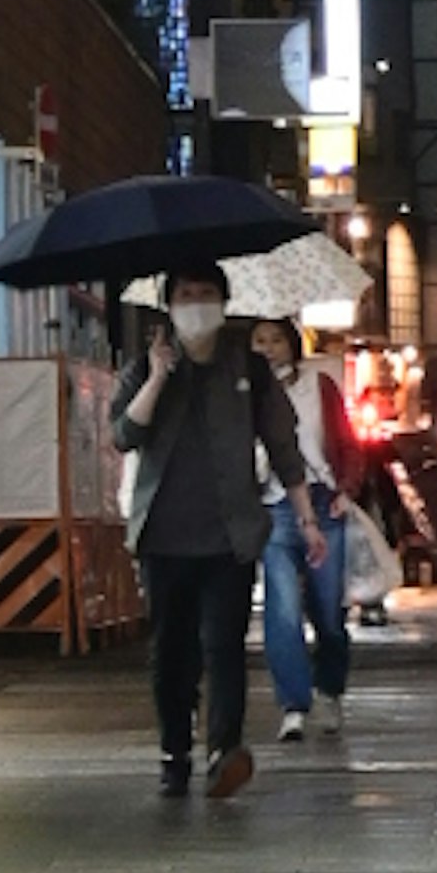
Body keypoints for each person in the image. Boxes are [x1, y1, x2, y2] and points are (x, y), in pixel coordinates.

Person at [115, 277, 309, 799]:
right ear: (169, 307)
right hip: (163, 535)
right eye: (185, 297)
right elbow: (123, 435)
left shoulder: (249, 368)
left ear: (224, 304)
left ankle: (224, 749)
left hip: (230, 534)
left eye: (205, 295)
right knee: (172, 651)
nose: (196, 306)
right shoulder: (146, 364)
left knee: (223, 646)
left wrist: (307, 520)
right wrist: (157, 378)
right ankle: (173, 751)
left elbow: (284, 447)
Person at [245, 317, 352, 746]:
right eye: (259, 341)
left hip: (324, 503)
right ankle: (293, 704)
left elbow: (346, 441)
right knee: (282, 611)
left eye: (275, 339)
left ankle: (329, 689)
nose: (268, 348)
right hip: (272, 507)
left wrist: (346, 488)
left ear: (293, 344)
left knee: (328, 611)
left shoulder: (318, 386)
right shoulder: (243, 394)